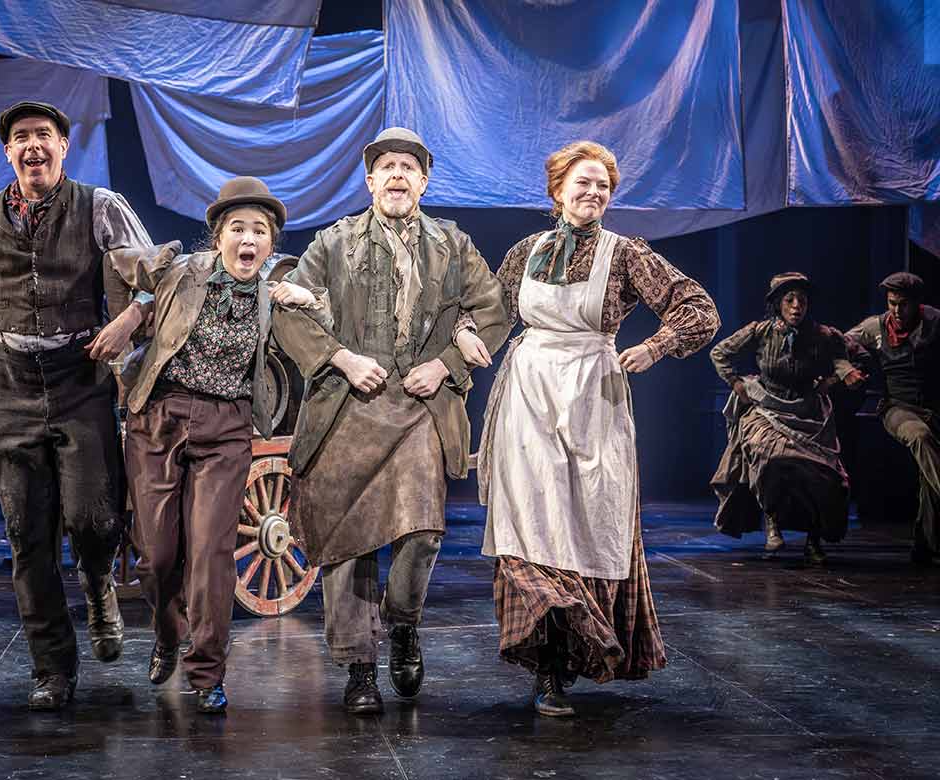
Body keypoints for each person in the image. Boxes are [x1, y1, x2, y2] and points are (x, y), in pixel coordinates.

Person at [456, 140, 719, 717]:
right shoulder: (527, 250)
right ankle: (548, 667)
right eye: (583, 182)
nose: (594, 192)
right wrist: (466, 332)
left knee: (584, 521)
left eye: (603, 184)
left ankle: (576, 656)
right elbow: (487, 310)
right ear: (557, 190)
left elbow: (697, 308)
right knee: (530, 521)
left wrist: (655, 346)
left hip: (593, 393)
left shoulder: (625, 254)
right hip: (527, 391)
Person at [273, 127, 509, 715]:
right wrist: (343, 359)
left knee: (423, 533)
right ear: (370, 179)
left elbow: (493, 310)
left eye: (409, 167)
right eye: (388, 167)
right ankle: (359, 666)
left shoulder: (453, 244)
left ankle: (402, 625)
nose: (398, 175)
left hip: (420, 406)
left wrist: (447, 363)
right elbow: (289, 312)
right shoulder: (334, 241)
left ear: (424, 182)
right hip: (348, 407)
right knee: (349, 540)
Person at [0, 100, 153, 711]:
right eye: (20, 137)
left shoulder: (100, 207)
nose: (32, 146)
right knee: (27, 535)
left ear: (64, 146)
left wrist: (128, 319)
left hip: (79, 377)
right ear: (8, 152)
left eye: (43, 135)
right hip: (9, 383)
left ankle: (98, 581)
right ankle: (52, 670)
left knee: (94, 520)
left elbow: (158, 280)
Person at [109, 177, 321, 714]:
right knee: (156, 557)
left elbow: (329, 303)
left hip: (228, 424)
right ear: (218, 236)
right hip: (160, 414)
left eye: (259, 232)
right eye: (237, 229)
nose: (248, 240)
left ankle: (206, 671)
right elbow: (124, 266)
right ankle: (166, 631)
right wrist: (131, 315)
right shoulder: (183, 270)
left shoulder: (281, 286)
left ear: (271, 243)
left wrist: (310, 297)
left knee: (211, 555)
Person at [709, 273, 862, 564]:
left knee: (825, 477)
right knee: (768, 459)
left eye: (801, 301)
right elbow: (720, 352)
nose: (796, 307)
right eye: (789, 300)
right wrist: (736, 383)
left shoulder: (823, 335)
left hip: (808, 413)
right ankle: (773, 522)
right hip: (767, 409)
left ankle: (814, 538)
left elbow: (845, 358)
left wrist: (836, 378)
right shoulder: (762, 331)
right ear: (778, 304)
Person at [845, 271, 940, 565]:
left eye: (903, 304)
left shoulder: (935, 321)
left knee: (929, 473)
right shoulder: (875, 327)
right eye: (891, 303)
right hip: (898, 408)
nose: (897, 311)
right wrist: (849, 368)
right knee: (920, 437)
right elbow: (838, 343)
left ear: (917, 304)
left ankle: (926, 546)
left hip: (935, 409)